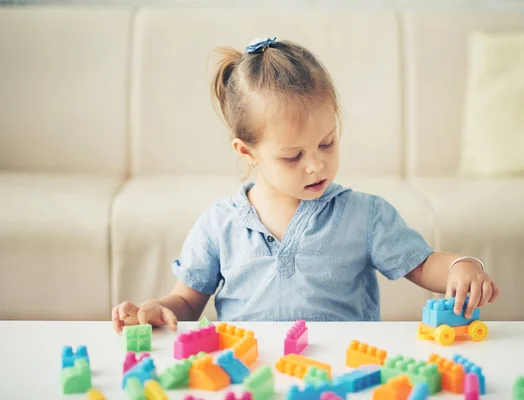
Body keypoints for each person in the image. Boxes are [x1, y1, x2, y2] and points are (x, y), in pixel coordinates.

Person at [112, 37, 499, 333]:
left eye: (327, 143)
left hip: (344, 378)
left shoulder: (364, 215)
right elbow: (185, 301)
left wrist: (462, 267)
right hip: (254, 379)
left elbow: (425, 264)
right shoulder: (219, 225)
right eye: (293, 156)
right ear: (247, 152)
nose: (316, 164)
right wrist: (158, 310)